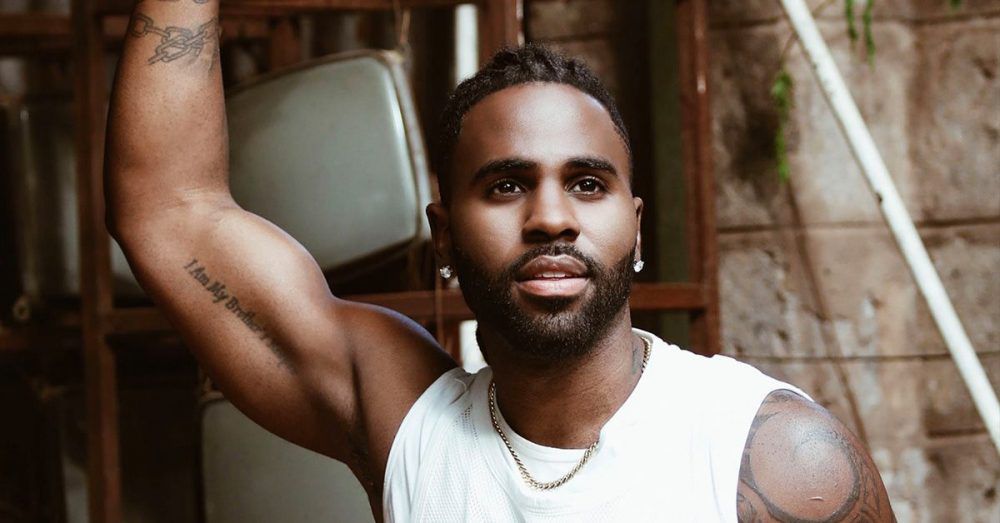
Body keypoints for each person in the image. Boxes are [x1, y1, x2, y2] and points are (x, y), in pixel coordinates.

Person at [105, 1, 895, 521]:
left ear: (635, 227)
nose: (551, 217)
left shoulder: (770, 457)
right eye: (506, 184)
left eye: (588, 183)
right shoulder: (408, 424)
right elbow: (167, 211)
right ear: (444, 237)